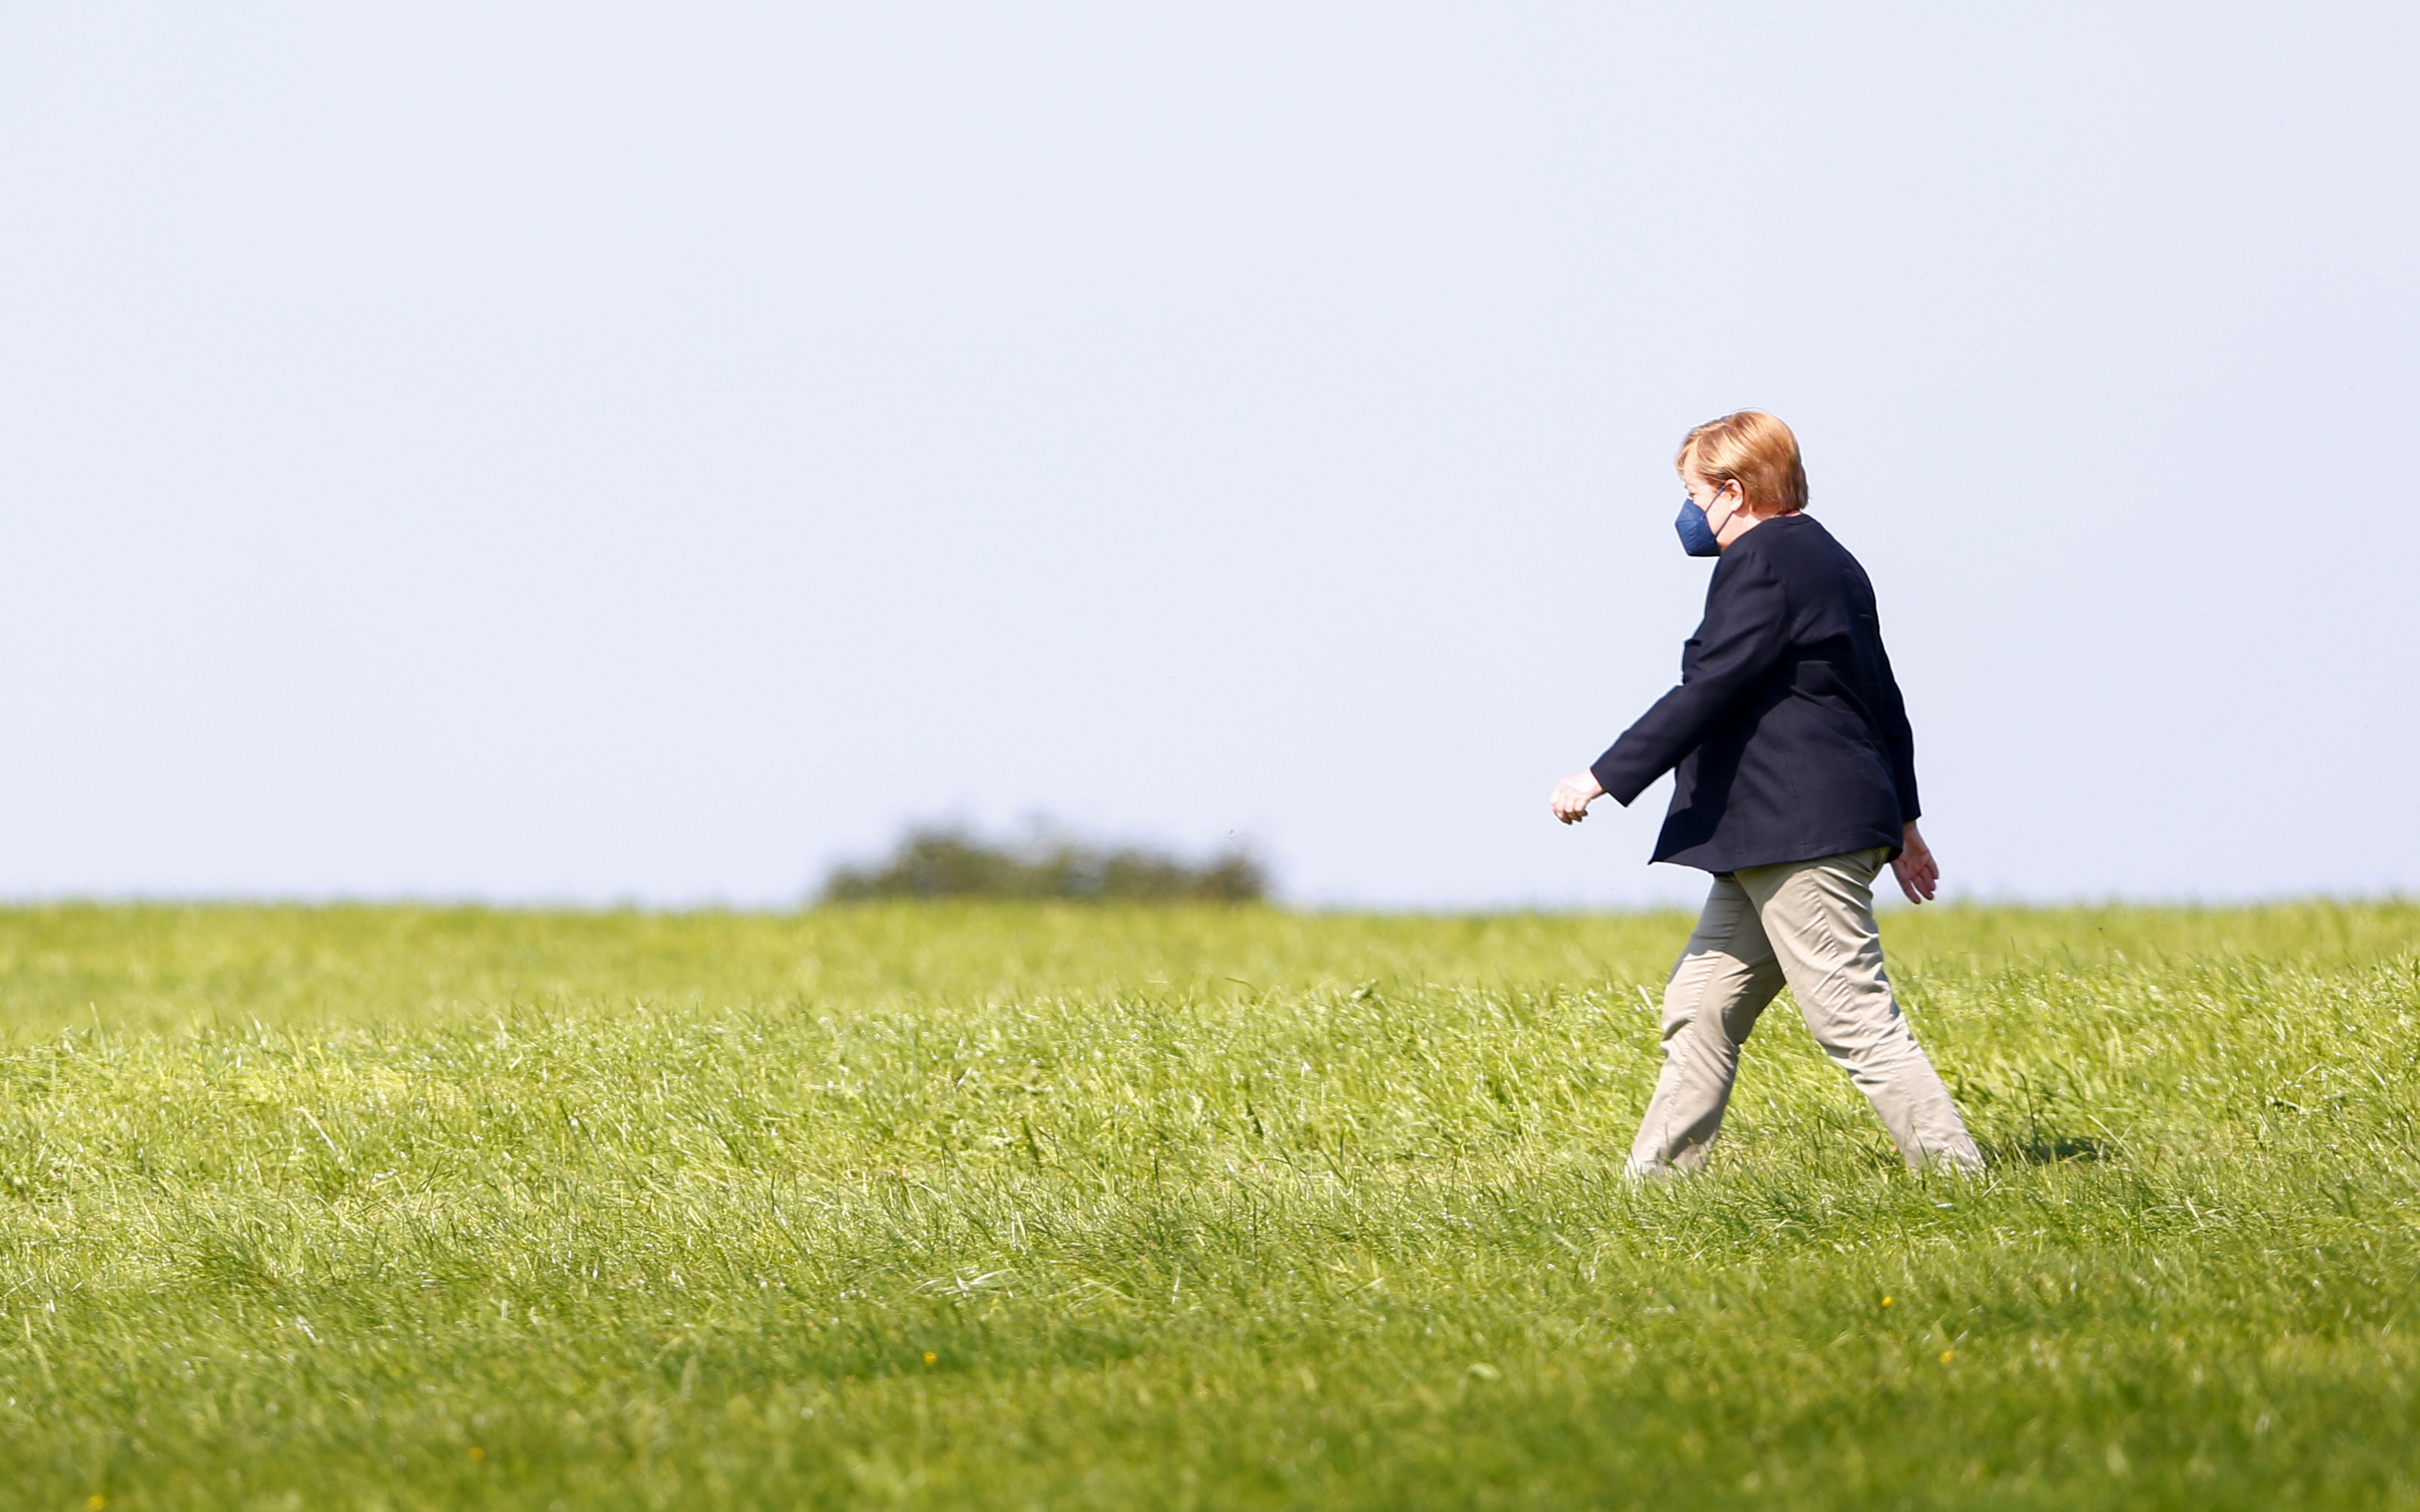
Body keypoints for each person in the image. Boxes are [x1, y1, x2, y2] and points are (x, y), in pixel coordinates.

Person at [1549, 411, 1982, 1176]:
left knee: (1853, 1016)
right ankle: (1654, 1189)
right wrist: (1904, 821)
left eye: (1690, 491)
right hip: (1782, 832)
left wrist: (1605, 775)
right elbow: (1882, 699)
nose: (1685, 512)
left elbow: (1712, 685)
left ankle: (1957, 1175)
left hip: (1797, 833)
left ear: (1732, 489)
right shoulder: (1830, 558)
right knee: (1702, 1003)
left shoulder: (1762, 561)